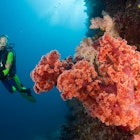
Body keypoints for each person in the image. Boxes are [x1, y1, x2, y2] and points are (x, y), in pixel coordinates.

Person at [0, 34, 35, 101]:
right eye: (0, 43)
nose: (2, 45)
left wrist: (1, 74)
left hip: (11, 77)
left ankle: (27, 90)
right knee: (11, 91)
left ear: (6, 44)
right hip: (3, 79)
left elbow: (7, 69)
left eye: (4, 43)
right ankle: (18, 86)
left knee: (20, 90)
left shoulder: (10, 53)